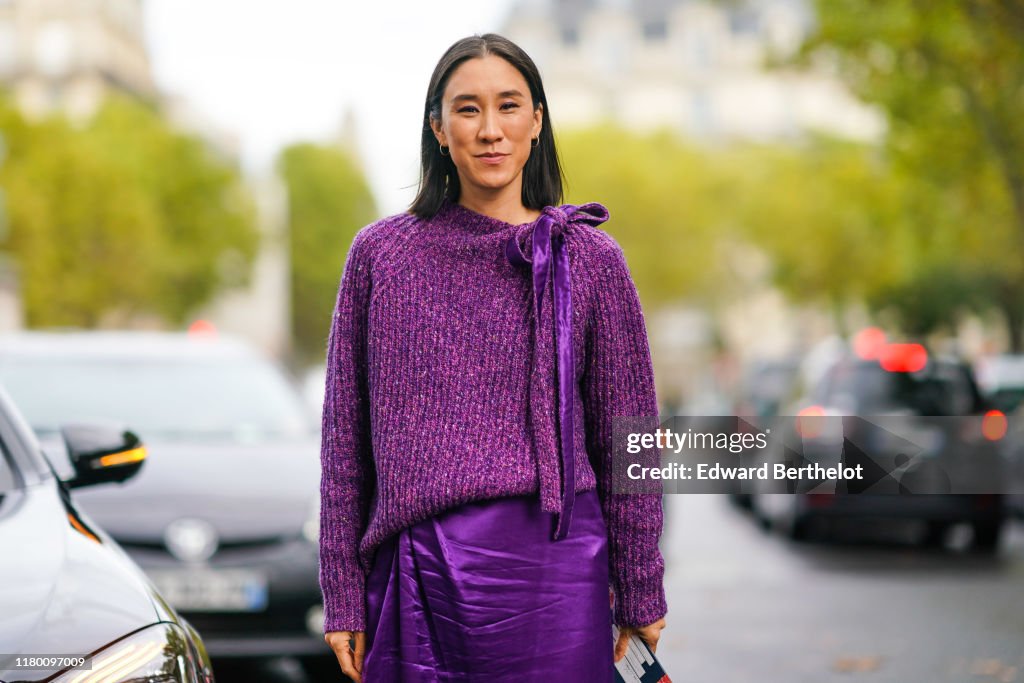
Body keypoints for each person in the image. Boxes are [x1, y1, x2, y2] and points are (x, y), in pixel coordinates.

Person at [319, 32, 667, 682]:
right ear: (438, 127)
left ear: (537, 121)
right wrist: (341, 589)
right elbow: (345, 439)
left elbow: (632, 438)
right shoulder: (381, 256)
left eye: (508, 106)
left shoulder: (591, 259)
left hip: (559, 570)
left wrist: (642, 582)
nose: (490, 130)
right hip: (421, 569)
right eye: (468, 109)